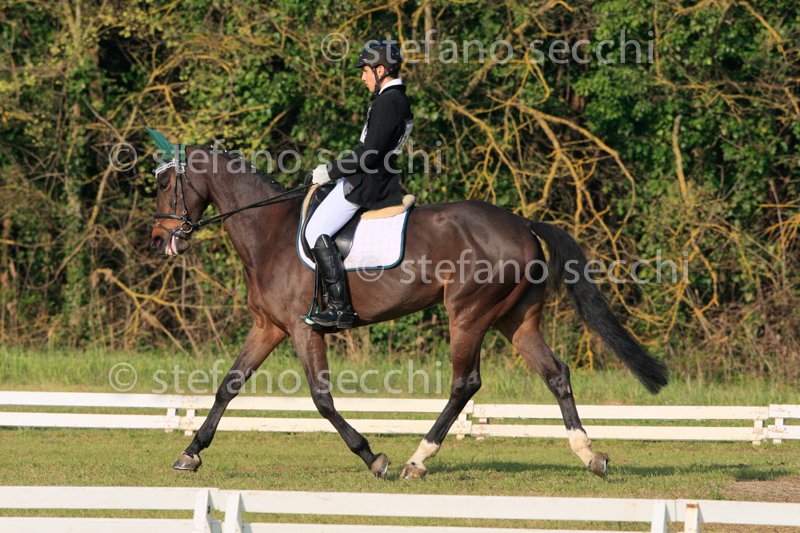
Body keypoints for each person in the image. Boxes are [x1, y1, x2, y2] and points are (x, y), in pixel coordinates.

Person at [304, 40, 414, 329]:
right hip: (374, 178)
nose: (363, 77)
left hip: (368, 185)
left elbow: (369, 154)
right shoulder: (395, 100)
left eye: (365, 71)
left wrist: (331, 170)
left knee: (315, 231)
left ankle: (340, 308)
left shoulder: (388, 103)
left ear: (381, 70)